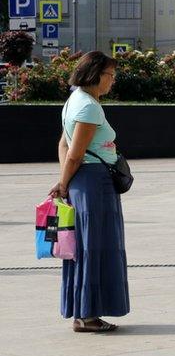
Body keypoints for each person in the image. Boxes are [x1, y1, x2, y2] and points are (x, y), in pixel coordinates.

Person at [50, 51, 129, 332]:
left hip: (84, 182)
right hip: (93, 184)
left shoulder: (74, 101)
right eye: (111, 75)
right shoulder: (88, 107)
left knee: (84, 247)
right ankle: (87, 316)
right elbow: (74, 153)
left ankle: (83, 312)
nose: (113, 81)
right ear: (96, 74)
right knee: (94, 247)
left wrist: (65, 182)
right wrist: (63, 182)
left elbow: (63, 145)